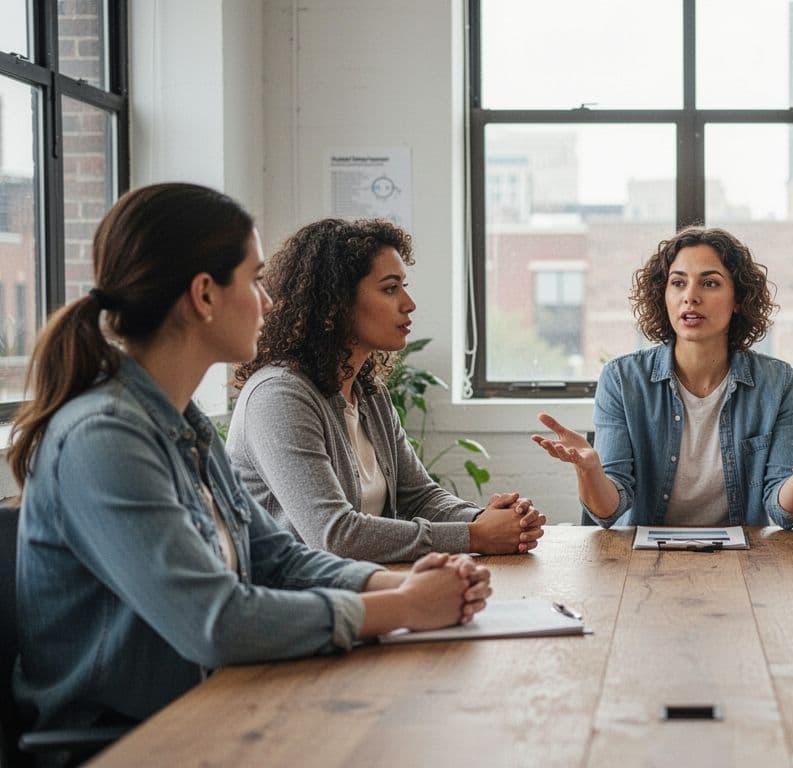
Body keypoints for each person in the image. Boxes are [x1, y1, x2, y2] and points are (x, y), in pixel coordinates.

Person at [10, 184, 490, 751]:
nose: (268, 301)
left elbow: (276, 558)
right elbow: (217, 621)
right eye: (256, 279)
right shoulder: (104, 439)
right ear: (204, 296)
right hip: (123, 743)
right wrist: (403, 605)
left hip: (217, 707)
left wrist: (405, 580)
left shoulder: (179, 417)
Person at [228, 218, 545, 562]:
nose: (409, 303)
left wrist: (485, 520)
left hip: (356, 590)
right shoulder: (279, 397)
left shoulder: (368, 393)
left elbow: (420, 497)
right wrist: (474, 536)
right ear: (335, 303)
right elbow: (334, 535)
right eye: (390, 288)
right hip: (292, 603)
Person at [533, 226, 793, 528]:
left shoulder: (777, 381)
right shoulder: (622, 379)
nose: (690, 296)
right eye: (678, 282)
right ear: (663, 295)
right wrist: (589, 471)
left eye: (709, 283)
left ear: (739, 299)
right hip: (640, 563)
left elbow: (782, 512)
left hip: (742, 563)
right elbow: (608, 513)